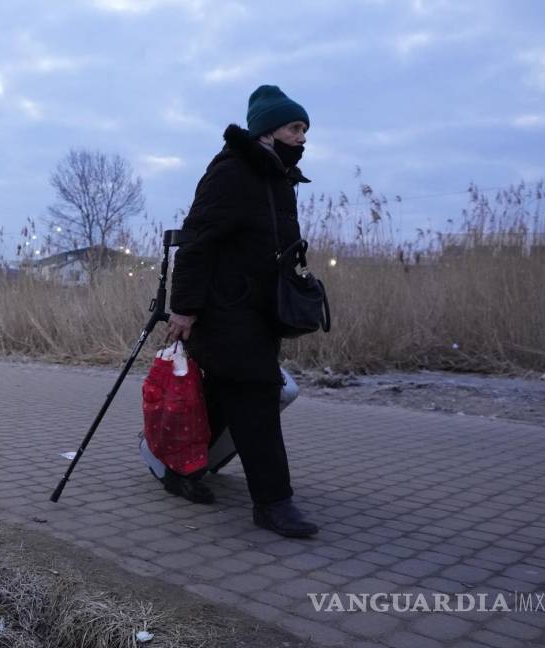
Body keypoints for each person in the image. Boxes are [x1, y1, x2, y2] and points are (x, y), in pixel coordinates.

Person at [165, 85, 318, 539]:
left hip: (258, 310)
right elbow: (198, 243)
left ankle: (176, 465)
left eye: (306, 129)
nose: (303, 137)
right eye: (295, 127)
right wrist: (185, 309)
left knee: (223, 397)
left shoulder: (276, 179)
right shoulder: (232, 172)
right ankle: (273, 503)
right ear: (268, 130)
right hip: (225, 312)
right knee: (256, 396)